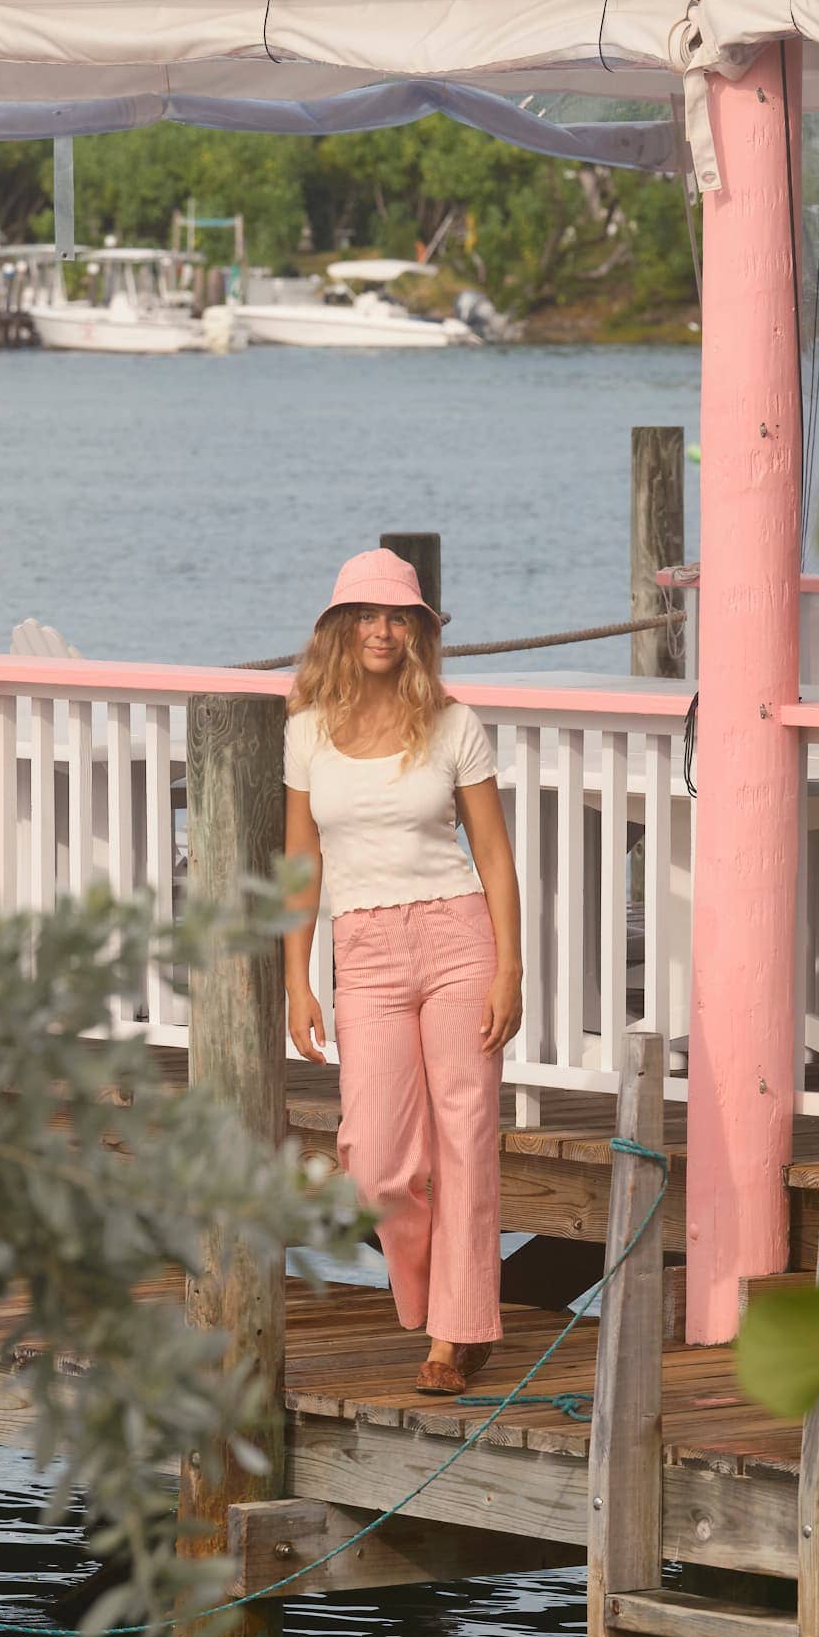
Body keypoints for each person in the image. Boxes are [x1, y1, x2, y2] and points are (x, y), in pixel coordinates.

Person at [282, 550, 522, 1397]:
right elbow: (301, 863)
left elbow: (492, 853)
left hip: (458, 938)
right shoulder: (305, 731)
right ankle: (429, 1297)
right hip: (366, 953)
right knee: (376, 1159)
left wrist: (511, 969)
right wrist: (297, 978)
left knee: (465, 1140)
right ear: (340, 629)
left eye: (397, 618)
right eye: (366, 617)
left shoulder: (455, 724)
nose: (381, 632)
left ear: (415, 630)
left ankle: (458, 1335)